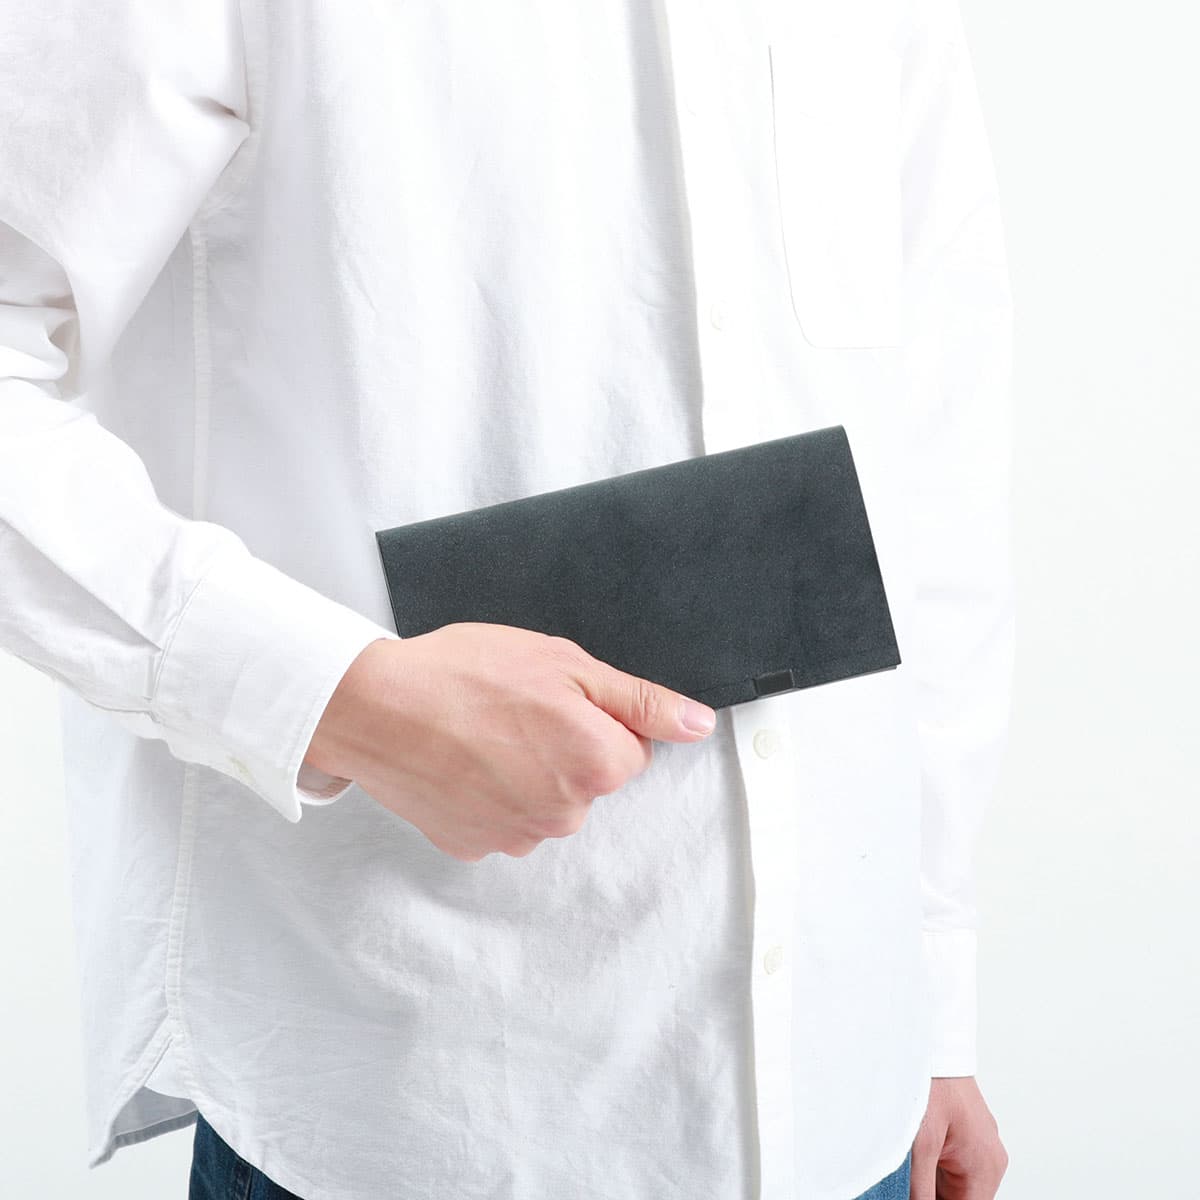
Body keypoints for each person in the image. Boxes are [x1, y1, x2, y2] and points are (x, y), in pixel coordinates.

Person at [0, 0, 1014, 1197]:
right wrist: (334, 697)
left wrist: (934, 985)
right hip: (429, 1100)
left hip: (846, 1099)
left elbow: (929, 447)